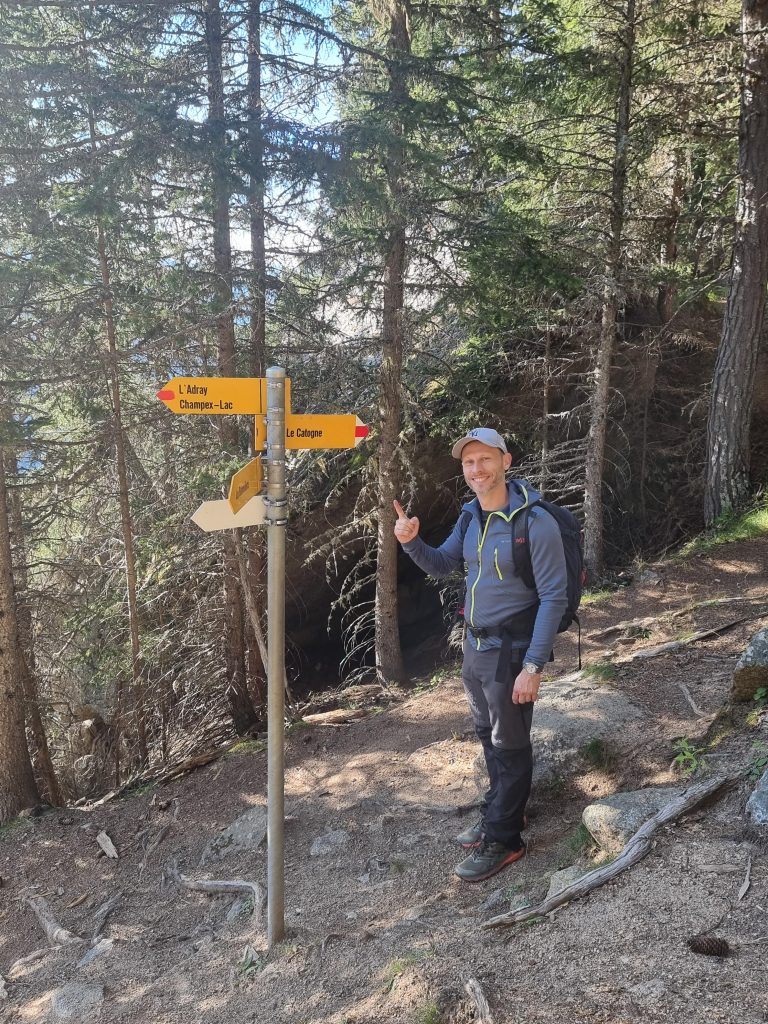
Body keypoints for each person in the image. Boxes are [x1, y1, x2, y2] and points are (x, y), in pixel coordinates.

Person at [393, 427, 568, 882]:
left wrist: (533, 666)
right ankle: (503, 811)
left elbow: (554, 597)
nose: (477, 469)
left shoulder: (535, 523)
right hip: (475, 647)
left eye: (485, 459)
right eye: (469, 462)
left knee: (510, 743)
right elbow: (443, 564)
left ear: (505, 461)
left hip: (511, 652)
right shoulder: (471, 517)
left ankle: (506, 839)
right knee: (487, 735)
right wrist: (411, 541)